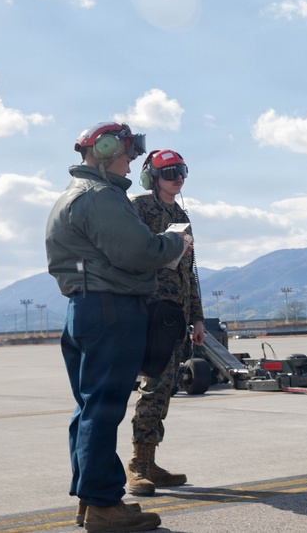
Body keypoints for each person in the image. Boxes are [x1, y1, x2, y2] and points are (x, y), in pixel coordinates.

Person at [45, 121, 189, 533]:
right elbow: (139, 251)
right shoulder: (100, 197)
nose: (131, 161)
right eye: (127, 152)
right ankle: (104, 504)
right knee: (104, 410)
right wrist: (176, 244)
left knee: (90, 410)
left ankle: (92, 499)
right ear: (106, 150)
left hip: (86, 308)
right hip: (112, 309)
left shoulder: (73, 196)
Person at [126, 149, 205, 496]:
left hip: (177, 315)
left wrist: (197, 317)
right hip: (152, 311)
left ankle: (151, 461)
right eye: (170, 171)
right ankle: (137, 465)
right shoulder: (138, 207)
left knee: (167, 389)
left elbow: (190, 271)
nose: (178, 177)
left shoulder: (181, 215)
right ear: (152, 176)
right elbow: (130, 254)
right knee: (154, 387)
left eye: (181, 170)